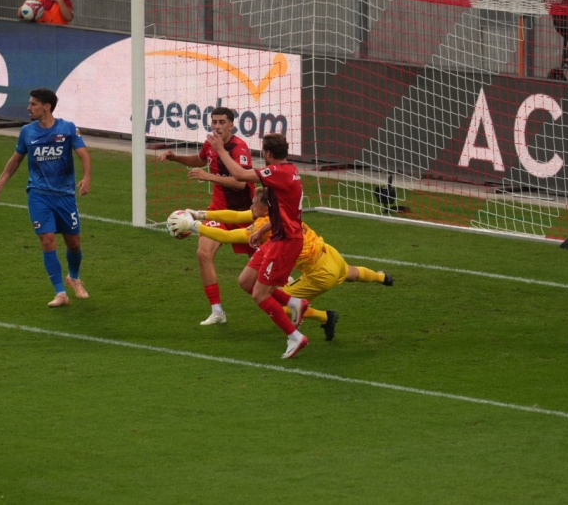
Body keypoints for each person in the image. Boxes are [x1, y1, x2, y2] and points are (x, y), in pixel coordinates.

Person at [168, 187, 394, 341]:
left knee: (279, 302)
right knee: (352, 273)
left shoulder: (264, 225)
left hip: (319, 273)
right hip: (329, 253)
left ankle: (325, 317)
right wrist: (200, 214)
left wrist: (194, 226)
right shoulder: (279, 211)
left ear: (264, 208)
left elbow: (227, 237)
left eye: (254, 202)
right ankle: (381, 277)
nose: (251, 204)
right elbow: (237, 216)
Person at [209, 132, 308, 359]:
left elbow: (239, 175)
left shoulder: (277, 173)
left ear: (268, 154)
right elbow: (283, 211)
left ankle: (295, 336)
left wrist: (221, 150)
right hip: (277, 236)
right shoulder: (290, 171)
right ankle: (295, 303)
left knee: (260, 294)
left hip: (286, 241)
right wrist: (262, 230)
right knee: (246, 281)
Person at [0, 88, 92, 307]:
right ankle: (60, 293)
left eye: (33, 104)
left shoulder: (68, 128)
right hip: (38, 195)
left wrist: (87, 177)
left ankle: (73, 276)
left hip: (65, 196)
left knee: (73, 244)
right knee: (47, 240)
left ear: (47, 106)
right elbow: (16, 159)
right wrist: (1, 181)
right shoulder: (27, 132)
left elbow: (83, 154)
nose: (29, 108)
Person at [157, 106, 255, 325]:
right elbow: (201, 160)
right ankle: (217, 311)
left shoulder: (239, 148)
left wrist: (209, 177)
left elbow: (241, 184)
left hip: (245, 216)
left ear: (231, 124)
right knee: (203, 253)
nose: (217, 126)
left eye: (222, 122)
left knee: (262, 268)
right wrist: (176, 158)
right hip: (219, 212)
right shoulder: (211, 143)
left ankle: (292, 301)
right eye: (214, 122)